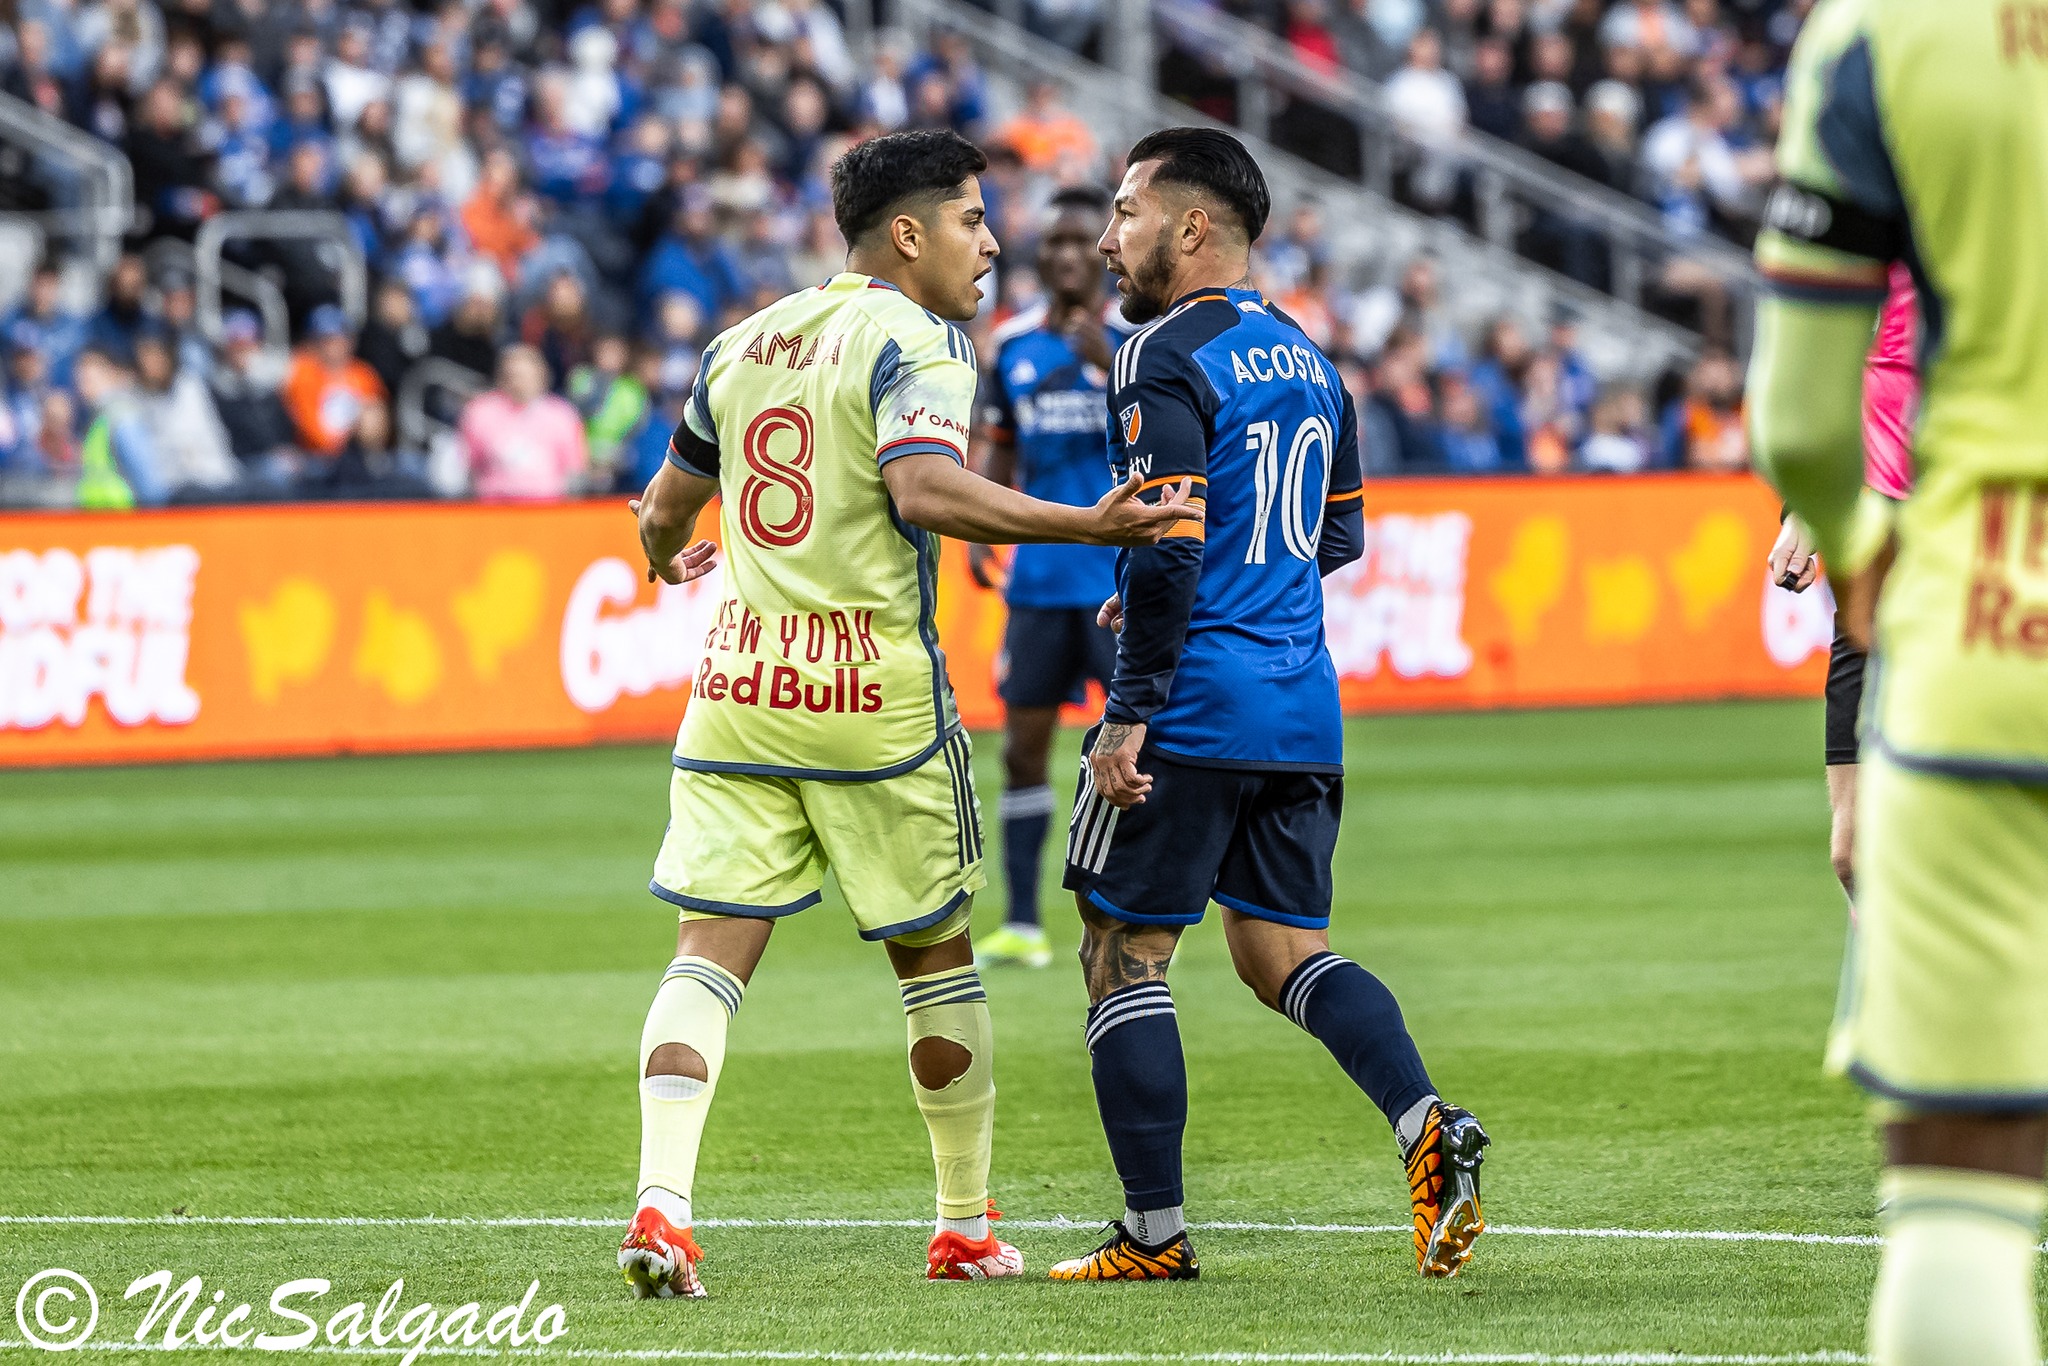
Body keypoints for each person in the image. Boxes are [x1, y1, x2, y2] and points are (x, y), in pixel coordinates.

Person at [618, 128, 1198, 1300]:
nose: (990, 246)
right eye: (974, 221)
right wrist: (1090, 524)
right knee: (934, 963)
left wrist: (669, 554)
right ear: (907, 234)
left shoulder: (741, 342)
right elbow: (921, 487)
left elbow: (659, 509)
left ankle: (662, 1204)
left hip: (737, 695)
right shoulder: (918, 339)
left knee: (705, 956)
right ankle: (963, 1224)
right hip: (871, 706)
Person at [1051, 127, 1487, 1284]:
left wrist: (1130, 707)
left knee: (1120, 953)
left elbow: (1170, 537)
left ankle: (1151, 1234)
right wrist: (1229, 582)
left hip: (1190, 702)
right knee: (1280, 949)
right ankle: (1423, 1122)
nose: (1107, 238)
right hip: (1300, 703)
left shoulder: (1157, 353)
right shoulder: (1308, 359)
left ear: (1190, 227)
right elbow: (1335, 534)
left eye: (1125, 212)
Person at [1747, 5, 2048, 1360]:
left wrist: (1848, 528)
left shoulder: (1881, 39)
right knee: (1853, 844)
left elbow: (1799, 412)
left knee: (1956, 1193)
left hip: (1981, 608)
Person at [967, 186, 1124, 971]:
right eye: (1051, 243)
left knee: (1139, 750)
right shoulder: (1014, 343)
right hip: (1037, 583)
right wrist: (975, 520)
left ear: (1102, 250)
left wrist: (1114, 364)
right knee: (1022, 751)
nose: (1064, 255)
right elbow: (997, 442)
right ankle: (1024, 921)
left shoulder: (1139, 341)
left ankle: (1133, 911)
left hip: (1119, 587)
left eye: (1077, 241)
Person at [1766, 263, 1917, 903]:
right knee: (1852, 853)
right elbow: (1826, 384)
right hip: (1875, 568)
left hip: (1967, 546)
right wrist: (1805, 504)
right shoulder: (1858, 237)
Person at [458, 345, 590, 501]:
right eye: (513, 375)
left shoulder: (562, 415)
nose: (519, 382)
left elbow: (575, 469)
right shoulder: (480, 412)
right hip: (493, 508)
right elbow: (468, 465)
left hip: (547, 508)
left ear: (542, 377)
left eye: (526, 376)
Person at [282, 304, 387, 458]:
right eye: (327, 340)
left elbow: (378, 422)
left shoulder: (363, 374)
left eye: (340, 338)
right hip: (315, 459)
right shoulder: (304, 373)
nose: (335, 346)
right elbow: (311, 430)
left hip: (360, 454)